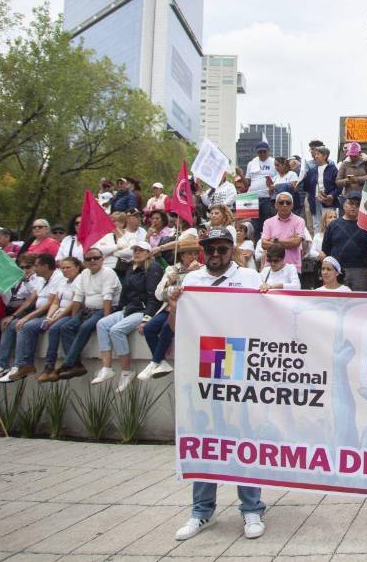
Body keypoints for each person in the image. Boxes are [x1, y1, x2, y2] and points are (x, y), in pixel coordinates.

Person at [172, 227, 265, 542]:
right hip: (204, 364)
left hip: (240, 361)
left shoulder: (252, 279)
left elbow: (267, 321)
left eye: (221, 248)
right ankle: (201, 511)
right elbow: (177, 327)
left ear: (232, 249)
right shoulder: (191, 280)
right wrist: (174, 306)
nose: (214, 254)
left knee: (243, 435)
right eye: (208, 248)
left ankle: (252, 507)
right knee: (206, 435)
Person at [90, 241, 163, 391]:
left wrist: (146, 319)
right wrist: (119, 308)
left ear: (149, 253)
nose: (136, 252)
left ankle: (126, 372)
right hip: (130, 309)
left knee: (116, 330)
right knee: (102, 324)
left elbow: (153, 298)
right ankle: (107, 368)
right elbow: (125, 292)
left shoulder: (154, 269)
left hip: (143, 311)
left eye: (141, 250)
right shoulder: (132, 268)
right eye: (135, 250)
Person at [50, 246, 121, 381]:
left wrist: (106, 320)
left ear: (102, 259)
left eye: (96, 258)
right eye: (89, 259)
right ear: (85, 262)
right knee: (66, 327)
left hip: (106, 309)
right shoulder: (84, 274)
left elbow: (107, 298)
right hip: (87, 310)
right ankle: (76, 365)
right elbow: (78, 297)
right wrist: (74, 317)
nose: (93, 260)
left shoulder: (108, 272)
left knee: (85, 327)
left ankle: (67, 364)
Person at [138, 232, 202, 381]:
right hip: (169, 308)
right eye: (188, 254)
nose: (192, 257)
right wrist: (169, 283)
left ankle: (154, 362)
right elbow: (159, 294)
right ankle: (161, 362)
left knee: (168, 327)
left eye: (194, 253)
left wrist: (189, 275)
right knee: (149, 328)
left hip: (188, 311)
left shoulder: (201, 270)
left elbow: (192, 292)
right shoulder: (171, 270)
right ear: (181, 256)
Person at [0, 253, 56, 381]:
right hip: (38, 311)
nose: (34, 269)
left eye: (36, 266)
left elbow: (48, 304)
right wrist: (13, 316)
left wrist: (26, 318)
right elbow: (29, 300)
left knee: (24, 326)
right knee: (9, 324)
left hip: (50, 313)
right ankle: (2, 364)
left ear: (45, 266)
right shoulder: (41, 279)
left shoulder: (57, 278)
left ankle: (21, 366)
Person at [34, 257, 85, 383]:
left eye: (68, 267)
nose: (65, 270)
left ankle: (52, 365)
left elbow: (74, 304)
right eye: (63, 268)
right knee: (50, 326)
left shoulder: (80, 280)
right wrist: (49, 317)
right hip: (58, 312)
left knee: (56, 328)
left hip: (71, 313)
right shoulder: (63, 281)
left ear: (77, 267)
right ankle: (50, 366)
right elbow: (56, 302)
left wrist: (55, 319)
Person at [321, 191, 367, 291]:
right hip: (337, 270)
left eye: (357, 205)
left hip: (360, 271)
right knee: (337, 302)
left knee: (360, 303)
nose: (353, 207)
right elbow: (325, 250)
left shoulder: (366, 226)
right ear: (344, 205)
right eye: (350, 203)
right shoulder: (333, 225)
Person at [261, 192, 307, 274]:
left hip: (293, 268)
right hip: (271, 268)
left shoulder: (299, 221)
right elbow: (264, 245)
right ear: (276, 205)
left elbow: (296, 242)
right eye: (281, 202)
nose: (284, 205)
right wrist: (289, 241)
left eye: (288, 203)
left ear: (292, 205)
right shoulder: (268, 222)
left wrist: (274, 241)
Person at [303, 146, 339, 235]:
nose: (315, 156)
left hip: (328, 200)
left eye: (318, 154)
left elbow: (338, 186)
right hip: (314, 200)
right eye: (315, 154)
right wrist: (304, 178)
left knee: (330, 222)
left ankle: (329, 244)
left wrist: (331, 196)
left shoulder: (333, 169)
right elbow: (306, 188)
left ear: (325, 156)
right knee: (316, 224)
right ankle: (318, 244)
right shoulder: (312, 170)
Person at [245, 140, 278, 233]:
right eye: (260, 152)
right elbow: (247, 183)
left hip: (268, 198)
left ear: (268, 151)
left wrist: (273, 186)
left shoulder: (274, 162)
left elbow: (279, 178)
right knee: (254, 225)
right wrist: (241, 175)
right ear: (257, 152)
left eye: (264, 151)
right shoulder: (251, 163)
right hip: (253, 198)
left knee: (268, 224)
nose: (262, 153)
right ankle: (256, 245)